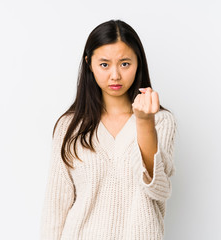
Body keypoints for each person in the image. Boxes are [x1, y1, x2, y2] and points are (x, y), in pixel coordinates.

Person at [40, 19, 176, 240]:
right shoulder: (70, 126)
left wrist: (144, 122)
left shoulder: (160, 121)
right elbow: (56, 206)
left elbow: (158, 189)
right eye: (104, 64)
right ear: (89, 63)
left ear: (138, 63)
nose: (115, 75)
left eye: (124, 64)